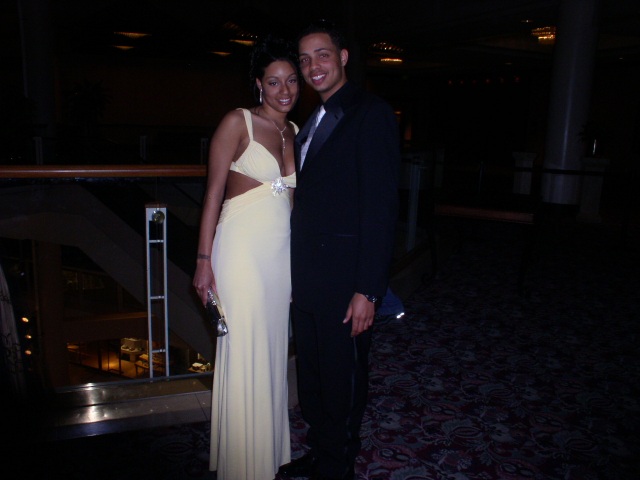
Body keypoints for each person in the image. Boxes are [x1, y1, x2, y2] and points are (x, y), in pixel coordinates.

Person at [280, 19, 400, 480]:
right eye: (304, 59)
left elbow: (380, 209)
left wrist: (368, 289)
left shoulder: (371, 113)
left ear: (343, 57)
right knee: (313, 378)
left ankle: (337, 466)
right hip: (309, 277)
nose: (313, 66)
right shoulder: (310, 121)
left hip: (347, 281)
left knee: (342, 379)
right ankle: (321, 452)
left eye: (322, 55)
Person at [192, 34, 300, 480]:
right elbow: (212, 195)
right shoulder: (237, 122)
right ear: (258, 83)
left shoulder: (295, 132)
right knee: (244, 354)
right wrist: (203, 261)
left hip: (279, 258)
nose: (284, 90)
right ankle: (242, 467)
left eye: (291, 80)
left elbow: (292, 205)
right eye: (273, 81)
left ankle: (265, 459)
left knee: (271, 354)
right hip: (240, 254)